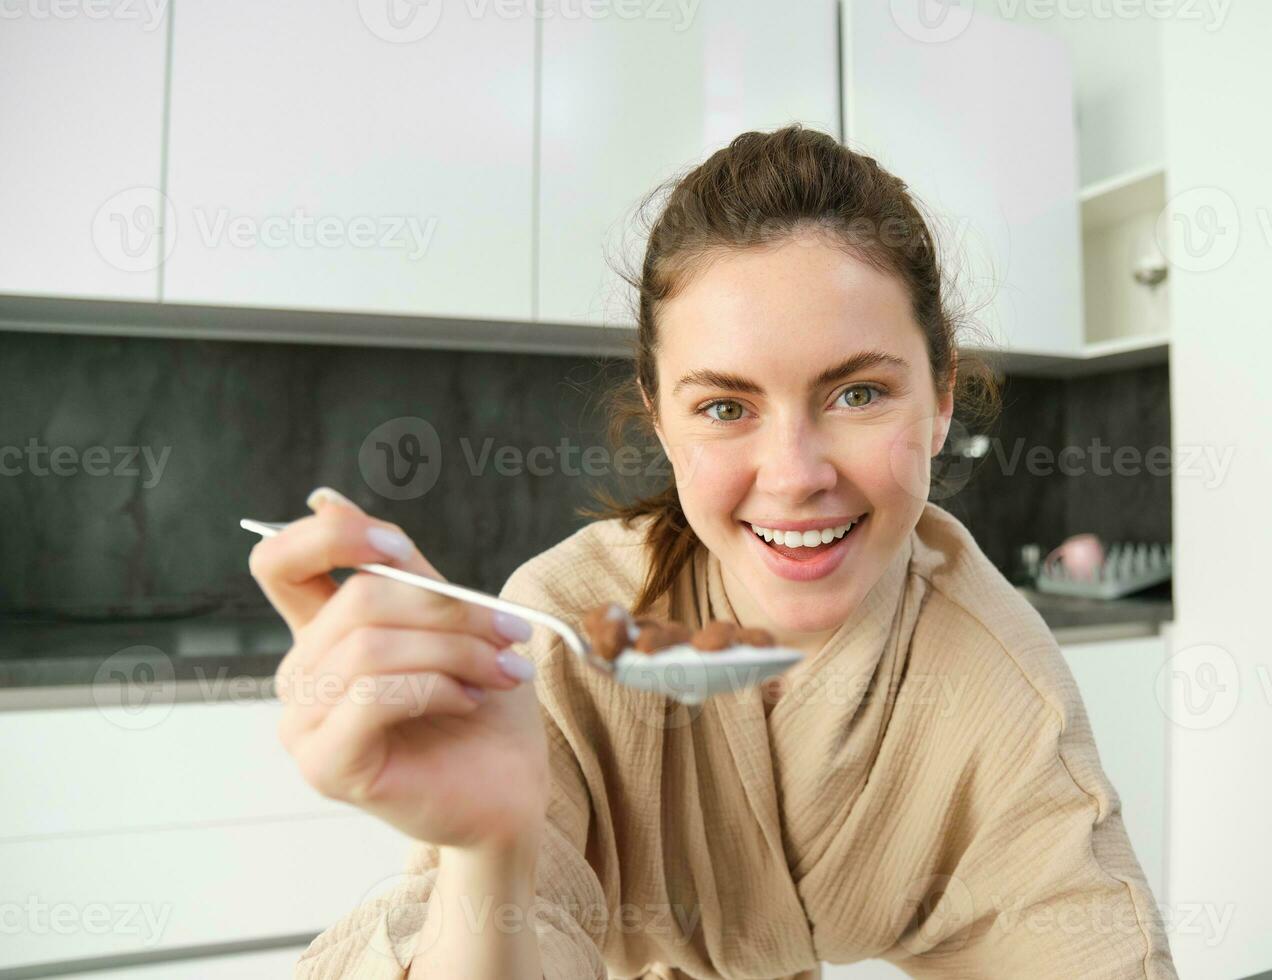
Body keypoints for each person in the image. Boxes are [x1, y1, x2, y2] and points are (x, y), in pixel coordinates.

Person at [249, 125, 1178, 979]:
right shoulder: (565, 632)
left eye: (857, 394)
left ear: (940, 397)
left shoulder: (999, 682)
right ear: (660, 419)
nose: (794, 475)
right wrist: (489, 852)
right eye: (725, 408)